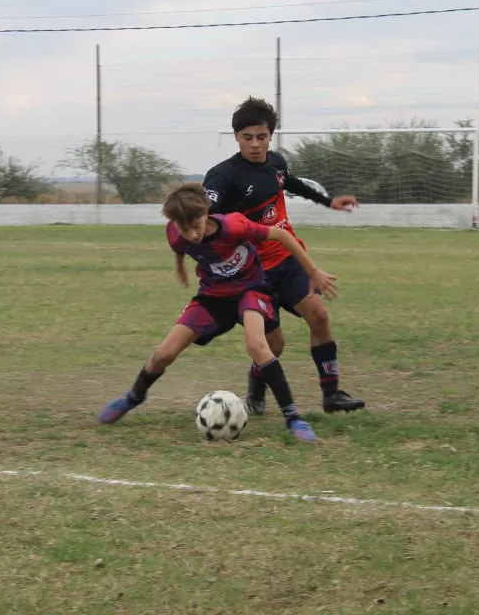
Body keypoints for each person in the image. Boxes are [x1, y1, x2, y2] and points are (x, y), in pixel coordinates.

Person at [98, 183, 339, 442]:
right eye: (183, 228)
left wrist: (313, 271)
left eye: (196, 225)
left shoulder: (234, 225)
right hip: (213, 296)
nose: (191, 234)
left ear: (206, 213)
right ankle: (134, 396)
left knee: (259, 346)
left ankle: (293, 418)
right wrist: (179, 266)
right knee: (163, 353)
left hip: (252, 290)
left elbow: (282, 236)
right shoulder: (175, 232)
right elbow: (178, 246)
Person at [203, 96, 366, 416]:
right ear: (236, 136)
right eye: (247, 137)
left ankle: (331, 394)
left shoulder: (276, 163)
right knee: (274, 346)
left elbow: (291, 183)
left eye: (261, 137)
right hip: (252, 273)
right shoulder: (222, 177)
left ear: (270, 136)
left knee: (318, 315)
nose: (254, 144)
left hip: (288, 260)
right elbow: (204, 221)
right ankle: (256, 385)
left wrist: (328, 201)